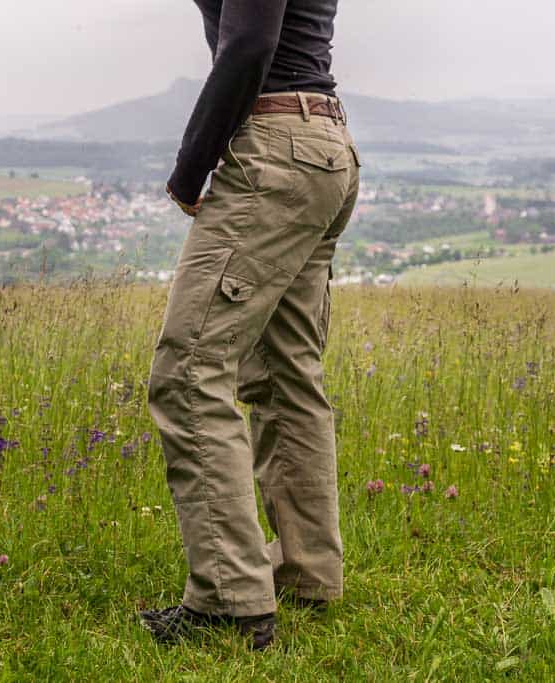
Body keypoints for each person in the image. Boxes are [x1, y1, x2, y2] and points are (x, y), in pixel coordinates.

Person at [139, 0, 361, 651]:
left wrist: (190, 167)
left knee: (186, 374)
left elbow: (249, 42)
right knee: (287, 374)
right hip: (323, 145)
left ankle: (229, 601)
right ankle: (306, 571)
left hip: (275, 156)